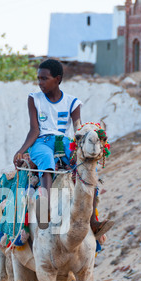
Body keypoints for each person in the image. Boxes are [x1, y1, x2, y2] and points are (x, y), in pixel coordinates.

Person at [13, 58, 113, 238]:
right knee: (46, 159)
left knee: (87, 167)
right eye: (39, 78)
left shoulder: (72, 102)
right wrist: (22, 150)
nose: (40, 82)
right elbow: (34, 130)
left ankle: (93, 220)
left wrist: (84, 144)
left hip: (65, 141)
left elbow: (77, 130)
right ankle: (45, 208)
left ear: (57, 79)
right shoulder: (34, 99)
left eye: (44, 78)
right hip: (41, 141)